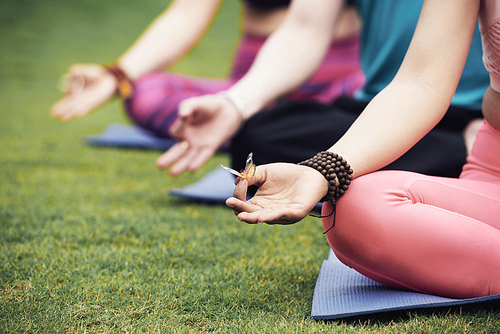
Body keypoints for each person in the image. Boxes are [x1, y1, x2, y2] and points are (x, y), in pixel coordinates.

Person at [226, 0, 500, 299]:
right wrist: (320, 171)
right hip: (488, 166)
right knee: (350, 207)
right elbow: (421, 84)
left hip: (462, 124)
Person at [157, 0, 489, 178]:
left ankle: (473, 150)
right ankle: (462, 155)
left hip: (482, 114)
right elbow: (303, 31)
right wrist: (235, 103)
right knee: (256, 138)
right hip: (385, 109)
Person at [50, 0, 363, 144]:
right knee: (144, 91)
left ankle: (256, 129)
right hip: (253, 81)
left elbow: (306, 32)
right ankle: (238, 123)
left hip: (341, 80)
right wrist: (117, 76)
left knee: (384, 96)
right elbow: (186, 14)